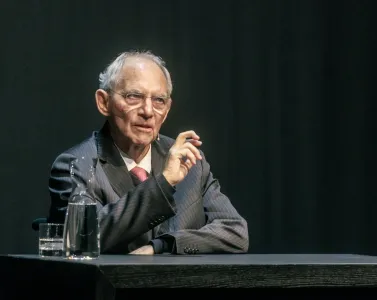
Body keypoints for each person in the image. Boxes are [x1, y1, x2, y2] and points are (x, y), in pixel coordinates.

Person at [47, 50, 249, 255]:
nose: (148, 111)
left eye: (159, 100)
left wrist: (165, 245)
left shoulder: (191, 161)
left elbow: (235, 232)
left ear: (168, 109)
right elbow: (83, 237)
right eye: (134, 96)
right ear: (104, 102)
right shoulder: (76, 164)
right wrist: (164, 183)